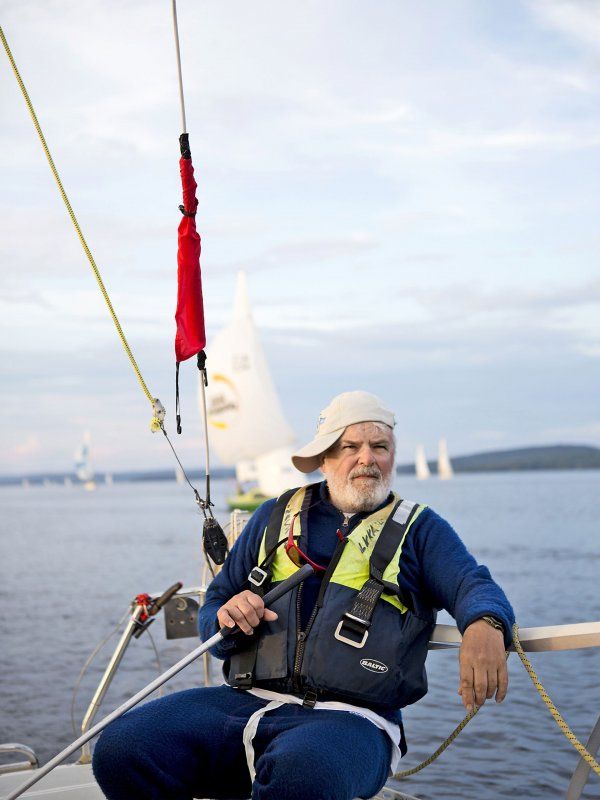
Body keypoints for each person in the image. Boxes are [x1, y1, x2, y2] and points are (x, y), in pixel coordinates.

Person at [93, 391, 514, 800]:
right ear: (324, 459)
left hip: (355, 720)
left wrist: (485, 623)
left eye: (380, 446)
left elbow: (472, 584)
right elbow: (214, 607)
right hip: (247, 701)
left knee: (301, 775)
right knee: (121, 748)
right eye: (351, 446)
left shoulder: (421, 529)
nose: (367, 457)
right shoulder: (273, 516)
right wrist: (226, 618)